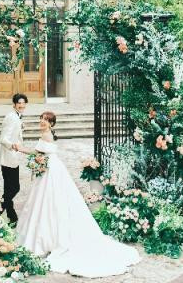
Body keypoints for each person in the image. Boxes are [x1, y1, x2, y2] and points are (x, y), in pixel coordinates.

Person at [15, 111, 140, 278]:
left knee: (50, 201)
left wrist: (20, 149)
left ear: (51, 124)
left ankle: (45, 239)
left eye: (46, 120)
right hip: (51, 168)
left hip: (50, 171)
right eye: (41, 119)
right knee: (47, 201)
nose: (42, 122)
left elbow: (37, 154)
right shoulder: (47, 134)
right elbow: (40, 155)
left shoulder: (46, 135)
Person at [0, 93, 27, 225]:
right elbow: (3, 139)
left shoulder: (16, 116)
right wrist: (13, 146)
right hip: (9, 157)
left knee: (8, 189)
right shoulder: (12, 118)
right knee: (14, 188)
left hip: (11, 158)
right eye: (19, 103)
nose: (21, 105)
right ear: (14, 104)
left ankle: (12, 217)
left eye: (23, 103)